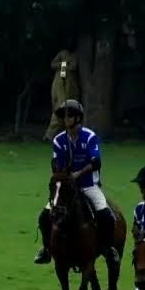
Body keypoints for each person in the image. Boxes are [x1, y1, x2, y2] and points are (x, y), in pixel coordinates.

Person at [34, 99, 119, 264]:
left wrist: (78, 173)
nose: (66, 119)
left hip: (89, 185)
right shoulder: (59, 140)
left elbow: (96, 162)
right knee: (44, 216)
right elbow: (57, 166)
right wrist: (65, 175)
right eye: (64, 116)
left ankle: (109, 249)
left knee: (106, 215)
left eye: (70, 116)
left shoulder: (89, 137)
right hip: (66, 188)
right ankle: (46, 249)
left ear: (78, 118)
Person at [44, 48, 79, 141]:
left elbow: (73, 67)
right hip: (59, 83)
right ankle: (52, 135)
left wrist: (66, 65)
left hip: (69, 85)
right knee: (59, 107)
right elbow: (53, 64)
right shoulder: (62, 54)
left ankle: (52, 134)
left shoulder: (74, 56)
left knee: (64, 108)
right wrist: (63, 64)